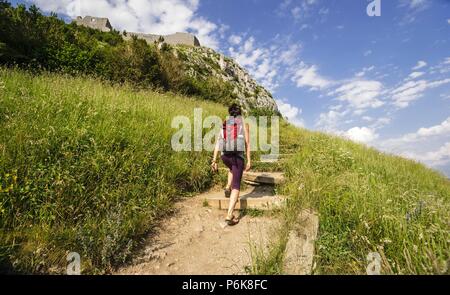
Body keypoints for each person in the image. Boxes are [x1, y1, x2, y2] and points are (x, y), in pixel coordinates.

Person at [211, 103, 251, 226]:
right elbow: (247, 143)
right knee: (237, 186)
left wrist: (214, 160)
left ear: (230, 112)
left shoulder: (225, 123)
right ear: (240, 113)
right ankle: (229, 215)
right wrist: (249, 160)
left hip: (224, 156)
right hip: (237, 157)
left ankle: (227, 186)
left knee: (231, 168)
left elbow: (218, 142)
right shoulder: (243, 123)